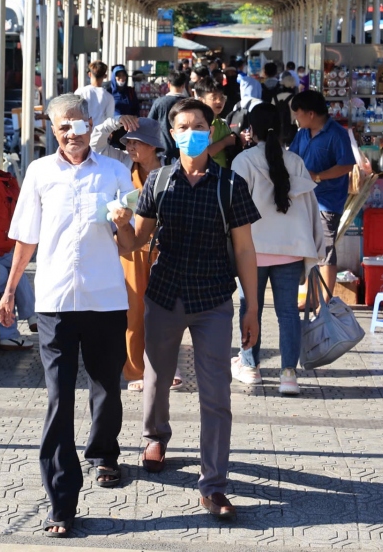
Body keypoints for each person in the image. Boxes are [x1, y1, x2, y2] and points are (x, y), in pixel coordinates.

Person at [0, 93, 136, 537]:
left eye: (79, 125)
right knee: (59, 399)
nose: (72, 134)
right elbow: (26, 238)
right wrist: (9, 290)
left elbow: (130, 244)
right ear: (52, 129)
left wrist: (122, 223)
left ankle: (104, 453)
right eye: (63, 127)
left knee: (106, 388)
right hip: (55, 301)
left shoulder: (115, 172)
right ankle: (62, 501)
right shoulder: (39, 173)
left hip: (106, 298)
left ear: (90, 123)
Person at [131, 98, 261, 520]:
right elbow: (135, 241)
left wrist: (252, 309)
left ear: (212, 130)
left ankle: (214, 485)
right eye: (182, 125)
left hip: (213, 301)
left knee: (217, 395)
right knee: (157, 377)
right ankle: (154, 436)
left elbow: (244, 250)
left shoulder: (230, 185)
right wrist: (118, 223)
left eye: (199, 124)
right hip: (165, 294)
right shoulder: (159, 181)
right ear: (173, 133)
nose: (191, 131)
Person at [230, 104, 326, 396]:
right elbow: (311, 208)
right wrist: (314, 247)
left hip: (252, 250)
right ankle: (288, 375)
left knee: (250, 309)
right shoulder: (295, 161)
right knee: (287, 314)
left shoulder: (243, 161)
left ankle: (250, 366)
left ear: (251, 129)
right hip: (291, 249)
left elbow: (234, 208)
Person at [117, 118, 182, 392]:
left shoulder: (172, 173)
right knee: (134, 311)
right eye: (128, 142)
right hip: (131, 250)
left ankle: (168, 366)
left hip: (164, 249)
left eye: (136, 142)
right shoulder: (121, 171)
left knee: (166, 312)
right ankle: (134, 370)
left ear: (154, 145)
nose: (130, 147)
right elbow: (96, 140)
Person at [288, 89, 356, 291]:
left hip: (327, 201)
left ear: (310, 114)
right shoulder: (302, 134)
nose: (295, 118)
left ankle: (325, 301)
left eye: (297, 113)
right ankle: (311, 295)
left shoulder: (337, 134)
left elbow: (346, 166)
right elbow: (292, 156)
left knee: (325, 250)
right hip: (302, 199)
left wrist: (317, 176)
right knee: (307, 250)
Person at [193, 78, 237, 168]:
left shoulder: (223, 123)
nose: (219, 101)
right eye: (214, 98)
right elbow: (199, 156)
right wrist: (225, 142)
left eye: (222, 97)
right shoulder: (197, 125)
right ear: (201, 100)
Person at [149, 70, 190, 160]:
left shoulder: (159, 102)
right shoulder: (190, 103)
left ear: (168, 84)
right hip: (185, 150)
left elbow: (149, 123)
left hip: (163, 149)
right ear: (183, 85)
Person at [76, 61, 116, 131]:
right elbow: (109, 120)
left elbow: (74, 112)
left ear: (89, 74)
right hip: (99, 134)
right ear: (105, 76)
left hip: (82, 132)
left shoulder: (80, 92)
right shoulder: (109, 97)